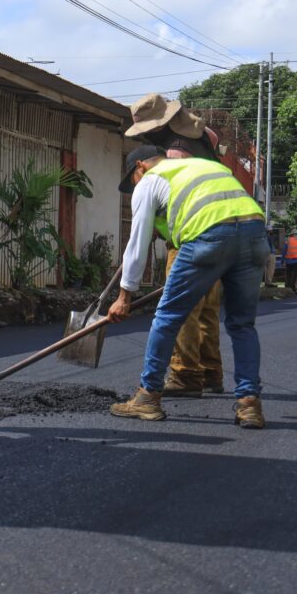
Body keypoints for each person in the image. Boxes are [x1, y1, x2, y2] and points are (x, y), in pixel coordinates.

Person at [108, 145, 268, 429]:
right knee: (243, 325)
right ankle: (249, 405)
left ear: (140, 167)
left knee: (167, 318)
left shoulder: (151, 179)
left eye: (132, 180)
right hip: (255, 236)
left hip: (210, 236)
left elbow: (137, 243)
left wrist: (124, 296)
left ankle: (147, 397)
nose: (135, 186)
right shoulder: (209, 167)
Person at [124, 94, 224, 396]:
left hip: (189, 238)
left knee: (183, 309)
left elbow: (178, 195)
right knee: (207, 309)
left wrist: (124, 296)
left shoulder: (172, 157)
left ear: (140, 167)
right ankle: (210, 373)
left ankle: (185, 374)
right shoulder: (204, 137)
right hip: (218, 229)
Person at [283, 228, 297, 293]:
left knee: (288, 274)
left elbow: (284, 250)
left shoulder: (288, 239)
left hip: (289, 259)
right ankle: (292, 287)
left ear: (292, 234)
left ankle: (288, 286)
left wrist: (282, 259)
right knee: (294, 274)